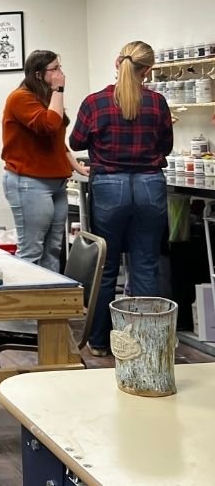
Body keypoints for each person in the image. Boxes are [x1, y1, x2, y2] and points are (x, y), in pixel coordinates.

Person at [69, 41, 172, 357]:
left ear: (117, 62)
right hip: (149, 186)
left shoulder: (95, 103)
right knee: (145, 265)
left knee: (107, 265)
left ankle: (100, 342)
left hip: (109, 188)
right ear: (149, 70)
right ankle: (146, 346)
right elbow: (166, 146)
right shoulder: (157, 103)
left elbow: (75, 141)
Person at [1, 50, 89, 272]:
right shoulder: (20, 98)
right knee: (31, 250)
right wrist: (59, 90)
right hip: (29, 182)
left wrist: (76, 166)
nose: (61, 74)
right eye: (55, 69)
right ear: (39, 74)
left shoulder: (46, 97)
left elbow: (56, 138)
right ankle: (27, 304)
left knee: (53, 249)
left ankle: (51, 302)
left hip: (55, 182)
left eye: (60, 67)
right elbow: (49, 126)